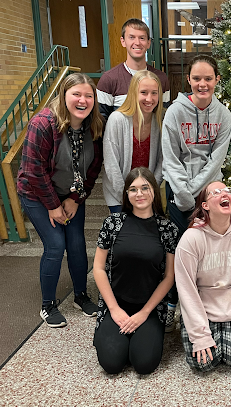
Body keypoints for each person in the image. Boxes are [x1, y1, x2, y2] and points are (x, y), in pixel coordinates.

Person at [17, 73, 104, 328]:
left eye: (88, 95)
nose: (82, 100)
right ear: (64, 95)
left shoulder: (95, 125)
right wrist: (54, 206)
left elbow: (93, 168)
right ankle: (48, 305)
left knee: (77, 244)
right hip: (37, 193)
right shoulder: (43, 124)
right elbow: (34, 171)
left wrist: (76, 199)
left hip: (71, 193)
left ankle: (81, 295)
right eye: (76, 94)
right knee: (55, 245)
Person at [93, 167, 179, 374]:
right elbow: (98, 268)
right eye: (133, 189)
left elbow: (169, 277)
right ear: (127, 195)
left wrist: (144, 313)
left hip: (149, 309)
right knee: (112, 364)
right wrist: (113, 309)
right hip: (116, 304)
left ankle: (142, 334)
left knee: (144, 364)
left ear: (154, 192)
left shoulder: (167, 229)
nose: (139, 194)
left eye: (144, 188)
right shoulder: (112, 223)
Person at [174, 181, 231, 372]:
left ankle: (225, 338)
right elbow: (187, 290)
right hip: (203, 310)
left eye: (227, 191)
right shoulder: (191, 239)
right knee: (202, 363)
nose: (224, 194)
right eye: (216, 192)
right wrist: (200, 336)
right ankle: (214, 337)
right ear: (205, 205)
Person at [162, 54, 231, 236]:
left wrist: (195, 191)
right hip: (178, 187)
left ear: (217, 79)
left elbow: (216, 160)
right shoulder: (175, 112)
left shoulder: (223, 115)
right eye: (196, 78)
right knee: (182, 242)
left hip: (210, 187)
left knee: (210, 240)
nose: (203, 84)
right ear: (188, 79)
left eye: (208, 79)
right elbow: (170, 158)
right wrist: (183, 193)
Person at [102, 70, 164, 213]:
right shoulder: (117, 120)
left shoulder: (160, 121)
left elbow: (162, 161)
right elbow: (111, 166)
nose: (149, 98)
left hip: (148, 196)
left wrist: (150, 192)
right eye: (143, 92)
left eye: (154, 93)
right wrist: (128, 198)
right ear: (133, 93)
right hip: (119, 195)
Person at [97, 18, 170, 121]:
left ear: (148, 43)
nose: (137, 42)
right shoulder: (108, 79)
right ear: (123, 41)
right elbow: (101, 121)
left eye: (142, 38)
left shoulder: (161, 78)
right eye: (131, 37)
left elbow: (164, 116)